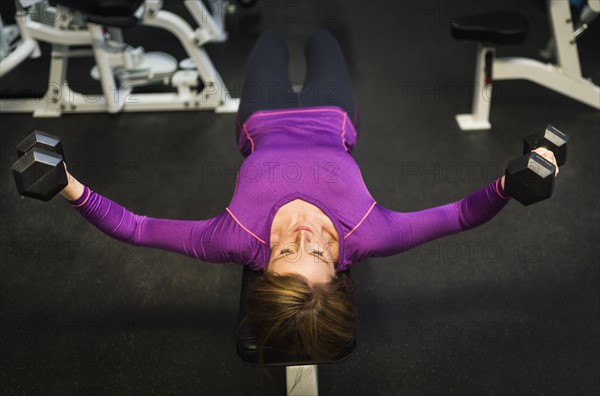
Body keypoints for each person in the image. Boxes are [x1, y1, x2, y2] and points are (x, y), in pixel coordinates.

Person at [59, 29, 559, 363]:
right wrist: (509, 187)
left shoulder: (235, 238)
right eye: (317, 251)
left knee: (270, 41)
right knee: (324, 39)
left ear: (263, 262)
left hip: (261, 113)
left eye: (284, 252)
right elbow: (458, 216)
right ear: (341, 269)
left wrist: (67, 184)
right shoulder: (371, 233)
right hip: (332, 113)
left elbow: (138, 228)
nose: (302, 236)